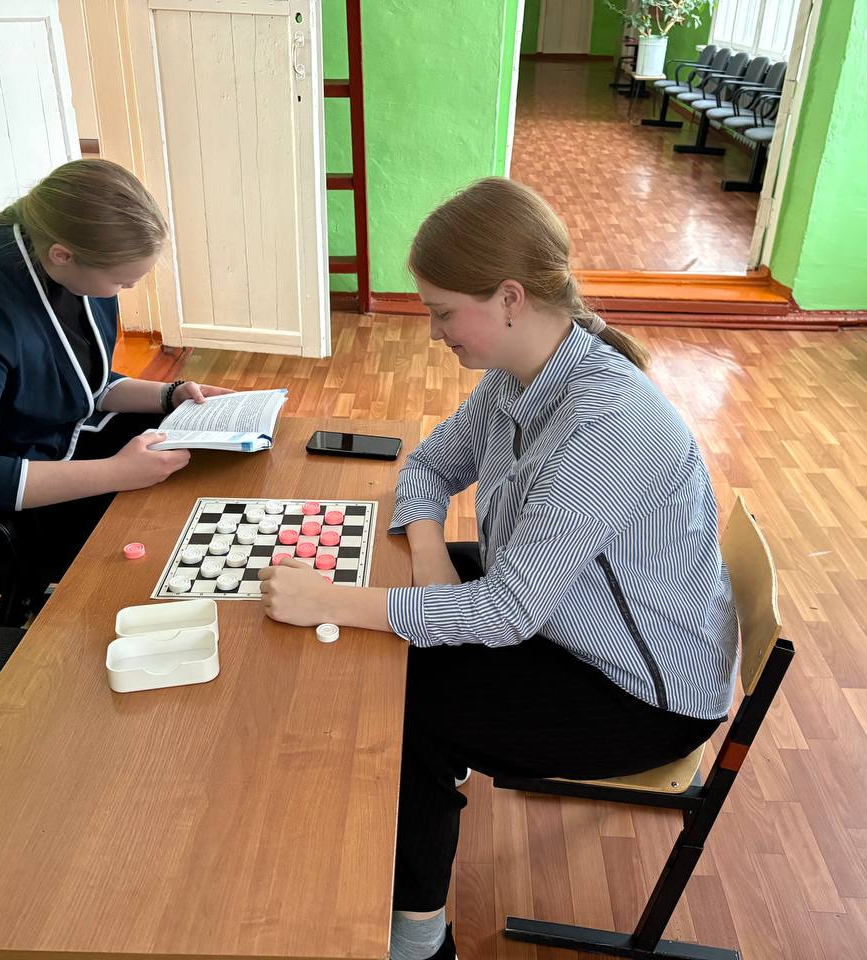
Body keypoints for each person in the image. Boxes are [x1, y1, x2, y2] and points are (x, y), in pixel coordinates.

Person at [258, 178, 738, 960]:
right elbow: (426, 468)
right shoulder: (521, 374)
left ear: (510, 298)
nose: (434, 332)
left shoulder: (606, 422)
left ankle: (419, 940)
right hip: (568, 612)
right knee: (400, 618)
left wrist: (335, 602)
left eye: (444, 312)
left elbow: (508, 613)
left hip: (643, 695)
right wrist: (428, 557)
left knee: (414, 706)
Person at [0, 158, 231, 593]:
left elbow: (80, 383)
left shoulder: (61, 267)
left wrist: (170, 395)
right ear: (63, 255)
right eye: (122, 282)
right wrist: (118, 473)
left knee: (198, 455)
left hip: (47, 440)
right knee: (163, 529)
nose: (127, 290)